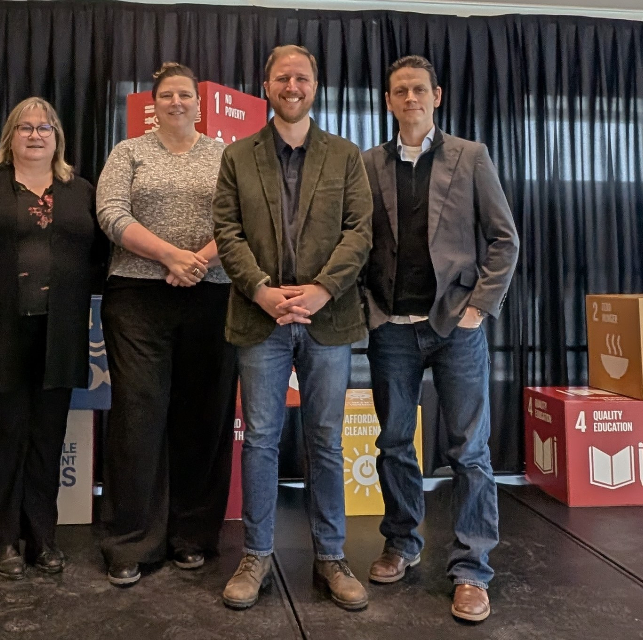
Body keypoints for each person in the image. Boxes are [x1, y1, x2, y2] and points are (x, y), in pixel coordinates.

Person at [213, 44, 375, 612]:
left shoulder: (346, 156)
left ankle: (331, 557)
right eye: (282, 76)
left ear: (314, 86)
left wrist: (321, 289)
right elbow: (227, 232)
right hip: (261, 318)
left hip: (328, 317)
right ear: (267, 86)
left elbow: (359, 233)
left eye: (301, 76)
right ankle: (256, 555)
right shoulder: (236, 157)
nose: (292, 84)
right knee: (259, 440)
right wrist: (261, 290)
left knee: (325, 442)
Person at [361, 55, 519, 623]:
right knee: (394, 442)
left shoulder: (470, 157)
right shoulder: (367, 163)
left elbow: (504, 240)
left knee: (469, 450)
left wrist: (480, 307)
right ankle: (402, 542)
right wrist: (367, 310)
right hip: (391, 330)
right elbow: (358, 244)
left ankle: (472, 569)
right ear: (388, 100)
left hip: (455, 328)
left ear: (437, 95)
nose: (410, 98)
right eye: (399, 90)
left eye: (418, 90)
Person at [94, 62, 239, 587]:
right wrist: (171, 257)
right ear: (153, 104)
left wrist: (197, 259)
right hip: (137, 296)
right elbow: (110, 213)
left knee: (204, 416)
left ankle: (192, 536)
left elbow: (242, 219)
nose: (176, 101)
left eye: (185, 94)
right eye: (167, 95)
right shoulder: (128, 152)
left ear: (199, 103)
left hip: (213, 292)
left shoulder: (226, 155)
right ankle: (131, 541)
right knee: (139, 416)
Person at [0, 97, 100, 580]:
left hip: (61, 333)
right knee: (6, 436)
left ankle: (44, 538)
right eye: (25, 127)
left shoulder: (82, 191)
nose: (36, 135)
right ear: (10, 136)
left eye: (45, 127)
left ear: (58, 137)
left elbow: (99, 257)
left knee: (48, 438)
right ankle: (6, 540)